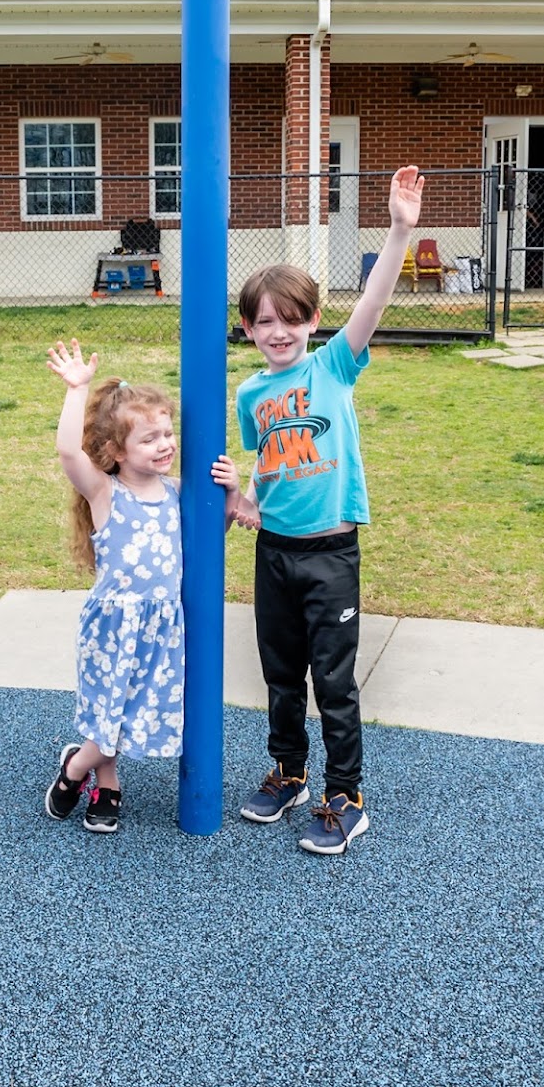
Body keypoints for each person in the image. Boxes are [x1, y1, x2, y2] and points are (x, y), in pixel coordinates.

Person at [211, 164, 426, 855]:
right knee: (280, 675)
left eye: (291, 318)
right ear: (246, 328)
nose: (278, 331)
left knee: (332, 680)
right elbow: (269, 468)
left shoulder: (333, 366)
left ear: (311, 320)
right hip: (273, 552)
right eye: (263, 321)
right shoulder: (249, 395)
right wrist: (240, 501)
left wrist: (397, 231)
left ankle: (345, 795)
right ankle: (289, 772)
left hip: (331, 555)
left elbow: (374, 300)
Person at [43, 339, 184, 836]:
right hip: (114, 624)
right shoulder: (106, 492)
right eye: (149, 439)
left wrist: (233, 491)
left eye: (167, 433)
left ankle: (94, 771)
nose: (165, 444)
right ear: (115, 451)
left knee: (134, 711)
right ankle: (86, 773)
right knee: (110, 714)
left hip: (162, 625)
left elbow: (210, 537)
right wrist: (76, 390)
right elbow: (66, 450)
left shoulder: (176, 493)